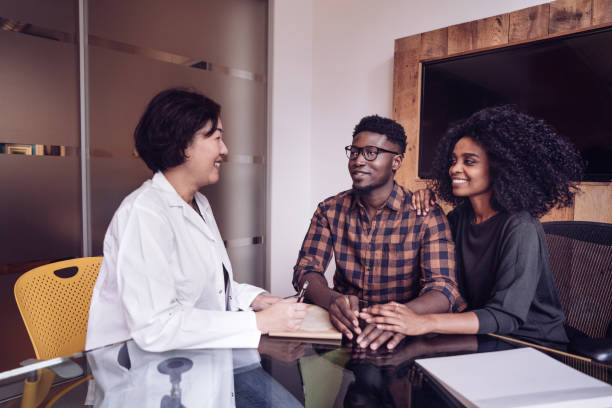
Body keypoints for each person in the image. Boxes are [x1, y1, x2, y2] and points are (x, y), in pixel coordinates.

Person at [86, 88, 307, 352]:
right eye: (216, 138)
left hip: (193, 357)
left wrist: (255, 299)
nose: (224, 150)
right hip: (139, 372)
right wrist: (257, 322)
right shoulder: (143, 214)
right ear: (182, 146)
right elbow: (156, 327)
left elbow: (208, 288)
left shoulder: (198, 203)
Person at [362, 105, 583, 346]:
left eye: (470, 161)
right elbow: (442, 280)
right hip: (481, 337)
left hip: (532, 344)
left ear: (501, 167)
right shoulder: (459, 218)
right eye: (454, 160)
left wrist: (425, 322)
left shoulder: (520, 227)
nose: (455, 168)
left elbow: (505, 315)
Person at [292, 115, 465, 351]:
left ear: (396, 161)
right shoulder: (329, 210)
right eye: (354, 152)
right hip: (346, 329)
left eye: (371, 152)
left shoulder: (425, 214)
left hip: (404, 339)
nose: (358, 160)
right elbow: (306, 269)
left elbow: (443, 289)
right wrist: (331, 300)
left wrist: (398, 317)